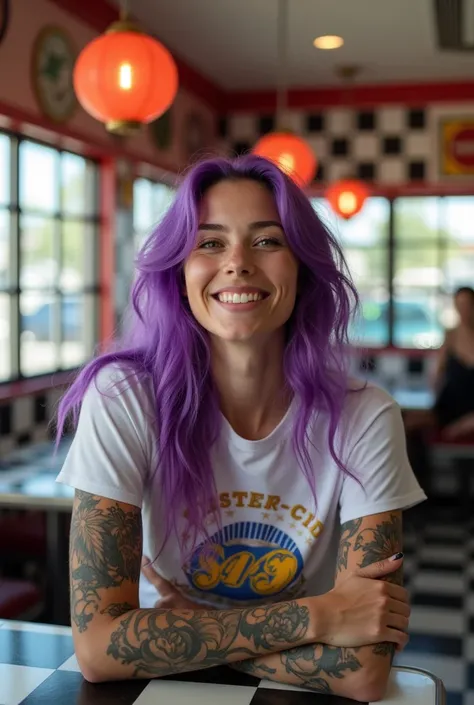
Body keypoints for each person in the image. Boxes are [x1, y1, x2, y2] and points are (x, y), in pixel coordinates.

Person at [56, 155, 426, 700]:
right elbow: (98, 648)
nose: (237, 263)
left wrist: (188, 625)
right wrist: (321, 616)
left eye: (267, 240)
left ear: (302, 267)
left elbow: (363, 671)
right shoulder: (125, 399)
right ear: (180, 276)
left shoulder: (365, 416)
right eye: (209, 243)